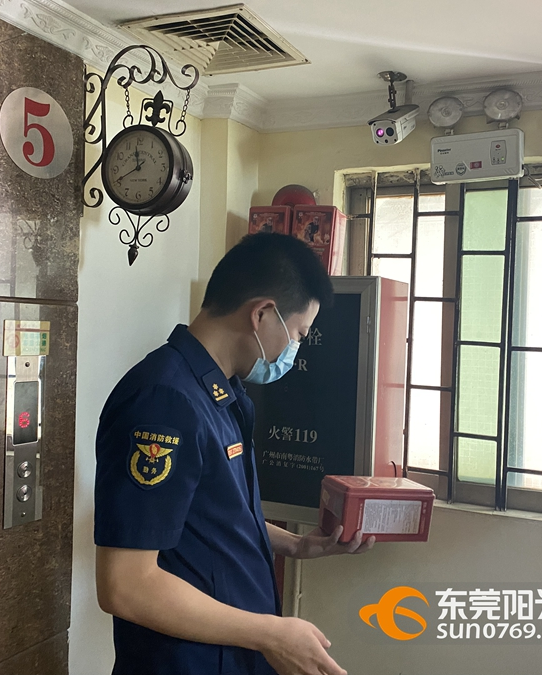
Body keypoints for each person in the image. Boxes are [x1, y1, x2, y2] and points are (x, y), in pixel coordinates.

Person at [94, 233, 375, 675]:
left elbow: (214, 517)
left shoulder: (221, 394)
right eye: (298, 334)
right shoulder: (164, 401)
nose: (294, 349)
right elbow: (126, 585)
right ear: (262, 314)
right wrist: (270, 634)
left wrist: (298, 545)